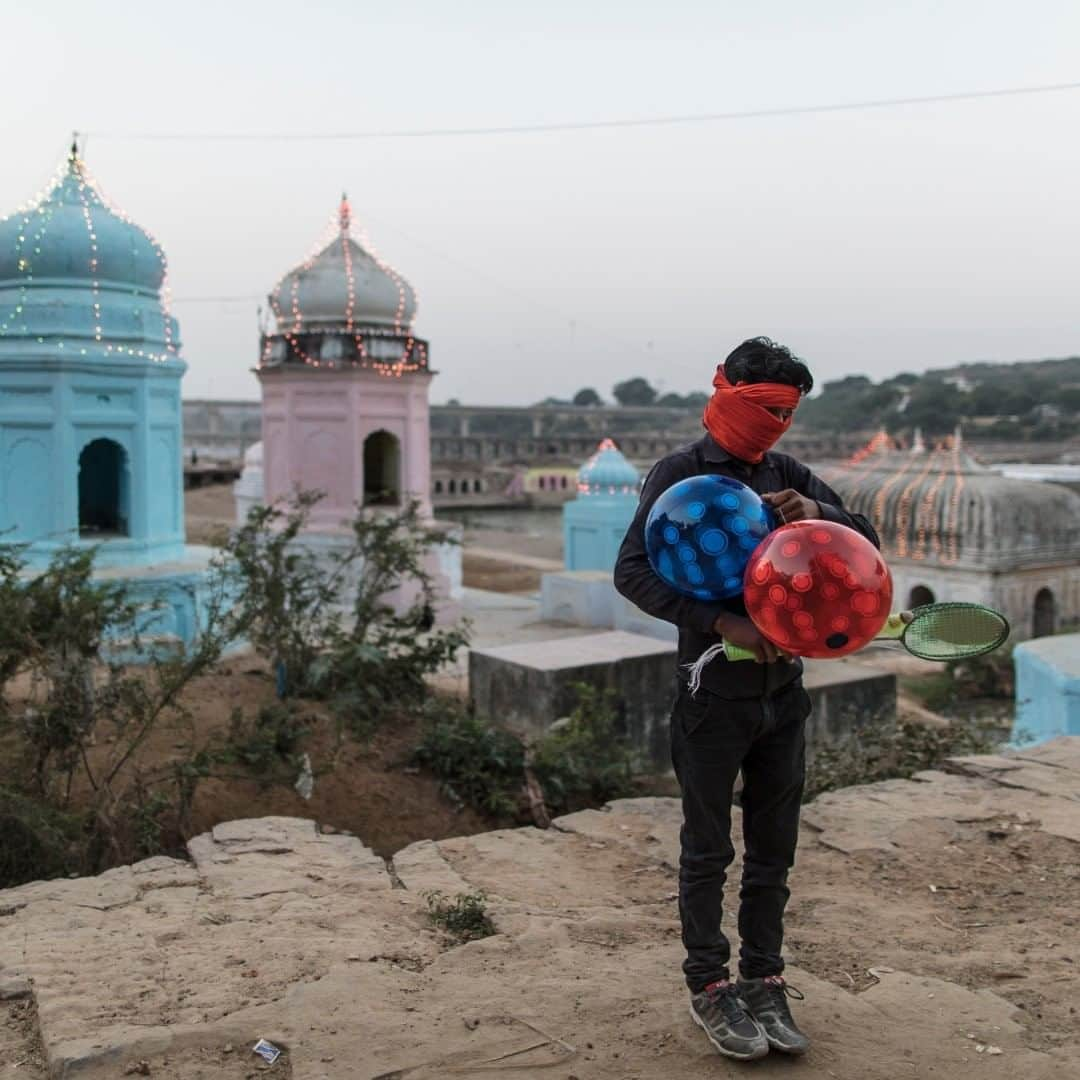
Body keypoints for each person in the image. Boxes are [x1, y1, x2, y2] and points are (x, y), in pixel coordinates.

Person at [613, 337, 879, 1062]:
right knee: (707, 850)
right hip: (711, 697)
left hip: (782, 695)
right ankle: (710, 986)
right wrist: (722, 620)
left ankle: (764, 978)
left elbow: (865, 546)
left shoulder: (789, 475)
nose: (775, 425)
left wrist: (816, 510)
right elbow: (631, 572)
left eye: (787, 412)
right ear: (725, 391)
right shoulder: (679, 475)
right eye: (764, 407)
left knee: (774, 853)